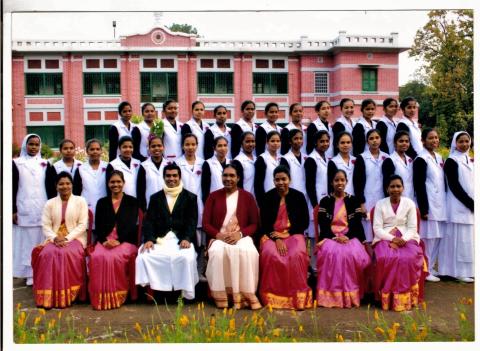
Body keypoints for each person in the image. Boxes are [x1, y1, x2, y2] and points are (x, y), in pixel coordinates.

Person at [135, 164, 199, 300]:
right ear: (163, 178)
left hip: (181, 239)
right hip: (160, 239)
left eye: (174, 175)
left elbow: (192, 222)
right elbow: (149, 222)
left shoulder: (191, 197)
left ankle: (183, 293)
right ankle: (155, 291)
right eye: (168, 176)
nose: (171, 179)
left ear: (180, 177)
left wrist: (187, 238)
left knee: (186, 258)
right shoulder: (155, 198)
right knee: (144, 256)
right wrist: (149, 240)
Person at [203, 165, 262, 309]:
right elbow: (205, 223)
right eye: (225, 175)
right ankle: (222, 297)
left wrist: (240, 234)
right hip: (219, 237)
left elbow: (254, 223)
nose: (228, 179)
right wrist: (219, 236)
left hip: (241, 236)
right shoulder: (213, 196)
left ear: (238, 178)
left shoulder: (247, 197)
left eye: (232, 176)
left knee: (248, 252)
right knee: (217, 253)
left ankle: (243, 296)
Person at [258, 166, 312, 310]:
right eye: (277, 180)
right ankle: (272, 298)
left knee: (297, 254)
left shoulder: (299, 196)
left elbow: (305, 221)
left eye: (284, 179)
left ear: (290, 180)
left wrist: (287, 234)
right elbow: (263, 223)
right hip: (272, 236)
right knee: (270, 255)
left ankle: (297, 298)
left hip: (294, 234)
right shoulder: (267, 197)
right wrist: (277, 239)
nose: (281, 182)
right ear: (273, 181)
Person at [32, 172, 89, 308]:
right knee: (46, 254)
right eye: (61, 184)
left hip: (75, 238)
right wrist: (55, 238)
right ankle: (47, 297)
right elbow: (45, 225)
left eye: (68, 183)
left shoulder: (81, 201)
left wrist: (67, 238)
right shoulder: (50, 203)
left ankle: (68, 295)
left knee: (64, 254)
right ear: (56, 186)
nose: (65, 186)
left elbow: (82, 225)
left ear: (72, 185)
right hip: (54, 239)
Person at [316, 169, 371, 308]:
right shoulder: (325, 201)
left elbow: (357, 224)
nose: (339, 183)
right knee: (332, 254)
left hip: (350, 236)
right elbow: (323, 224)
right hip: (330, 237)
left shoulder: (353, 200)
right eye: (336, 180)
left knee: (350, 255)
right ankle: (331, 296)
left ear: (346, 182)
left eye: (342, 180)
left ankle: (351, 294)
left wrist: (346, 236)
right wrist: (335, 237)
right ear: (331, 182)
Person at [372, 175, 425, 312]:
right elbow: (377, 228)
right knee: (386, 258)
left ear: (403, 188)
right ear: (387, 189)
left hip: (407, 236)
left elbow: (413, 227)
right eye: (392, 186)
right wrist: (392, 239)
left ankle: (405, 297)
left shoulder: (409, 203)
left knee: (408, 258)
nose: (395, 189)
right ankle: (386, 297)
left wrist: (403, 240)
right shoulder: (380, 204)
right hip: (385, 236)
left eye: (398, 186)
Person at [88, 170, 139, 310]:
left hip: (125, 240)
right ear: (108, 184)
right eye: (112, 182)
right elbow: (98, 225)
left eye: (118, 182)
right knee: (97, 256)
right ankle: (101, 296)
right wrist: (104, 240)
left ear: (123, 183)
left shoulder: (132, 202)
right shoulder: (102, 202)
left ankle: (118, 295)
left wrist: (119, 240)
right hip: (104, 240)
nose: (115, 184)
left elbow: (131, 225)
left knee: (115, 258)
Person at [13, 134, 56, 286]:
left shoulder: (45, 164)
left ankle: (41, 269)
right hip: (24, 206)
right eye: (31, 144)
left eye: (37, 145)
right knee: (27, 242)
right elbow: (11, 187)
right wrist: (13, 210)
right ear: (25, 145)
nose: (34, 147)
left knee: (42, 239)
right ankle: (29, 273)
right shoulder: (16, 163)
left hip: (42, 207)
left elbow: (51, 188)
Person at [438, 131, 474, 283]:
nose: (464, 144)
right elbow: (454, 185)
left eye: (467, 141)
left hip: (469, 206)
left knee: (467, 239)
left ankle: (467, 270)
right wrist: (470, 203)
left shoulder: (469, 159)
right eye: (461, 142)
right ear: (455, 143)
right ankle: (454, 271)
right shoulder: (452, 161)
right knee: (457, 240)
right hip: (458, 204)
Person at [413, 128, 447, 282]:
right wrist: (424, 208)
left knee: (437, 237)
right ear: (423, 141)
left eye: (436, 138)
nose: (434, 141)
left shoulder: (439, 157)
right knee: (428, 238)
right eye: (431, 138)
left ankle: (431, 267)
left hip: (440, 203)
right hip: (429, 203)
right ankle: (424, 269)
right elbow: (418, 185)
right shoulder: (421, 159)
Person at [175, 133, 206, 280]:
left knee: (201, 242)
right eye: (187, 144)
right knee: (187, 238)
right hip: (183, 207)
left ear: (197, 145)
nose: (190, 147)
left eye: (193, 144)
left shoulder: (203, 163)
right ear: (182, 146)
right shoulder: (176, 163)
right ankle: (187, 275)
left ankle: (199, 272)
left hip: (200, 205)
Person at [353, 129, 389, 242]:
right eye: (371, 138)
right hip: (367, 201)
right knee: (368, 234)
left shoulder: (387, 158)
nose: (375, 141)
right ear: (367, 141)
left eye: (377, 138)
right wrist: (362, 203)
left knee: (382, 234)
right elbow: (357, 183)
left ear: (381, 139)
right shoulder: (361, 158)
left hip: (383, 200)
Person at [304, 130, 330, 271]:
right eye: (322, 141)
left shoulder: (327, 158)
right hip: (315, 203)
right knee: (314, 236)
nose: (325, 143)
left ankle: (323, 265)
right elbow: (310, 184)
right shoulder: (311, 160)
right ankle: (314, 267)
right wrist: (315, 205)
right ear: (315, 142)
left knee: (324, 234)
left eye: (327, 141)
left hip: (325, 202)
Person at [73, 138, 108, 220]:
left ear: (101, 151)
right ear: (87, 151)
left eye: (97, 149)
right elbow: (76, 191)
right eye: (92, 149)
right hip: (86, 206)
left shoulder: (108, 167)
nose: (95, 151)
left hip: (105, 206)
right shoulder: (80, 169)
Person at [136, 135, 167, 212]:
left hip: (168, 207)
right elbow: (140, 191)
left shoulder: (170, 165)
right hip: (150, 208)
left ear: (163, 147)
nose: (156, 148)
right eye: (153, 146)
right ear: (149, 149)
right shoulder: (143, 166)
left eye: (159, 145)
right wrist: (144, 209)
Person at [381, 131, 415, 200]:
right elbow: (387, 184)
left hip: (411, 198)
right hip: (396, 199)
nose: (404, 143)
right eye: (401, 141)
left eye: (407, 141)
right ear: (395, 143)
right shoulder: (389, 161)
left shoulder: (410, 160)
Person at [254, 130, 281, 207]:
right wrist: (261, 202)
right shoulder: (262, 159)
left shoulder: (282, 158)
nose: (275, 143)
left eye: (278, 141)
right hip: (267, 197)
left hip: (280, 197)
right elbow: (258, 184)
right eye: (272, 141)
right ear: (267, 142)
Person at [201, 136, 230, 203]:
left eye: (225, 145)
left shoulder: (231, 163)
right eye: (219, 146)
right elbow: (205, 189)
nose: (223, 148)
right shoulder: (208, 164)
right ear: (214, 148)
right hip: (214, 202)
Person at [280, 129, 307, 194]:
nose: (299, 141)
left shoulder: (307, 157)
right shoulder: (285, 158)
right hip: (291, 193)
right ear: (290, 141)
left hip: (305, 193)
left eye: (301, 138)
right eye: (296, 139)